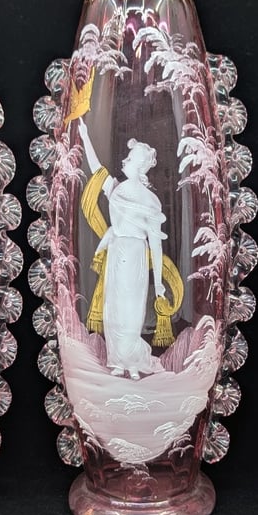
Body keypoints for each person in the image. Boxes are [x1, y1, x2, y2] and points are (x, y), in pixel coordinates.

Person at [77, 118, 167, 380]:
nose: (124, 161)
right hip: (117, 252)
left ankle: (133, 361)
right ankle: (117, 360)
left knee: (132, 309)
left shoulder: (151, 201)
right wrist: (85, 136)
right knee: (113, 307)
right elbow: (97, 169)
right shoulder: (116, 189)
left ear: (140, 164)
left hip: (137, 253)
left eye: (129, 157)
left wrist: (158, 283)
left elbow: (156, 244)